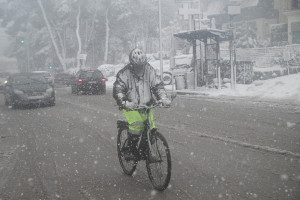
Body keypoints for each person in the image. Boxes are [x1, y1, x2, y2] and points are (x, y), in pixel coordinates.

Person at [113, 48, 171, 160]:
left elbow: (158, 86)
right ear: (132, 64)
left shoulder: (150, 70)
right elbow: (118, 90)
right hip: (131, 106)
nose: (140, 69)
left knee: (151, 129)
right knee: (137, 125)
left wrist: (163, 98)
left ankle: (146, 151)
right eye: (137, 66)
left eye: (142, 66)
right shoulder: (124, 74)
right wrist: (125, 102)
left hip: (147, 105)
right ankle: (130, 150)